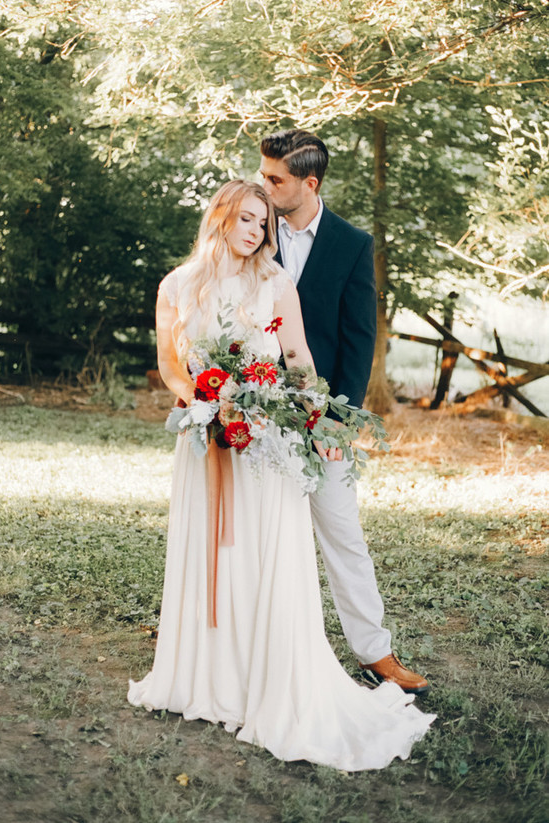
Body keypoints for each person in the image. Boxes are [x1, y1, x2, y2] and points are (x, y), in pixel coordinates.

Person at [128, 179, 434, 770]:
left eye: (263, 223)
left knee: (260, 553)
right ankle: (209, 676)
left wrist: (316, 420)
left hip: (268, 439)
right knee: (212, 554)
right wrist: (206, 401)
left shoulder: (275, 282)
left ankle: (264, 679)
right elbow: (169, 365)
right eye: (246, 218)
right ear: (221, 215)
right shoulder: (177, 285)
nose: (256, 231)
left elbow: (298, 360)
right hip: (206, 436)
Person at [259, 130, 428, 693]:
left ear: (309, 183)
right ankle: (250, 647)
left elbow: (359, 339)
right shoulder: (251, 229)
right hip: (253, 413)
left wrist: (338, 419)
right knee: (257, 533)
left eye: (275, 178)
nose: (265, 186)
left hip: (322, 416)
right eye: (263, 175)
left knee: (343, 533)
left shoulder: (352, 244)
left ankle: (375, 653)